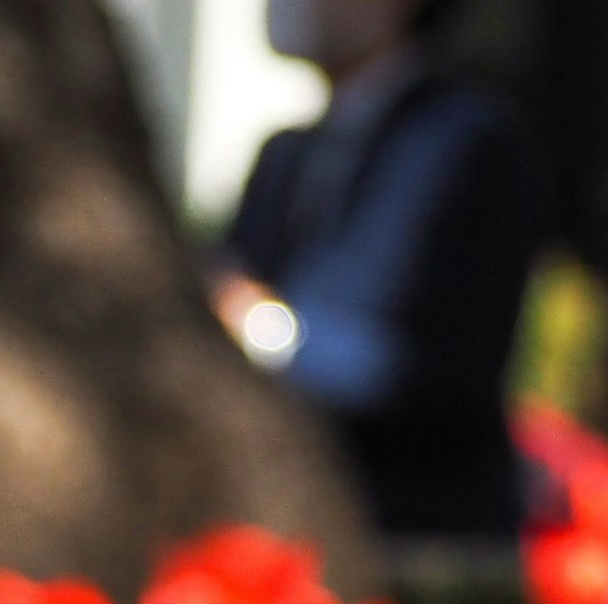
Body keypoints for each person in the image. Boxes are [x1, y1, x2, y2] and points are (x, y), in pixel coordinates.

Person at [214, 0, 547, 540]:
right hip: (289, 521)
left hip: (416, 527)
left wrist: (262, 329)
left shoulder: (468, 142)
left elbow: (427, 374)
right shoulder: (286, 155)